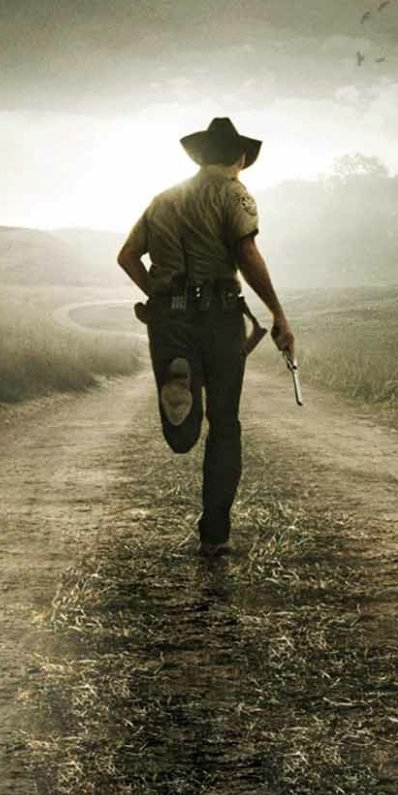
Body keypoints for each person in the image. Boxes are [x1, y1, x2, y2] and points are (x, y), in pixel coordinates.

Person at [116, 116, 296, 557]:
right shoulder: (234, 193)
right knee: (225, 424)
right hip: (219, 315)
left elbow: (128, 256)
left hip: (169, 320)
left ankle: (181, 388)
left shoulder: (163, 199)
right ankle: (215, 533)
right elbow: (246, 252)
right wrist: (278, 313)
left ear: (198, 156)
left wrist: (161, 296)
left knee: (182, 437)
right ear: (240, 158)